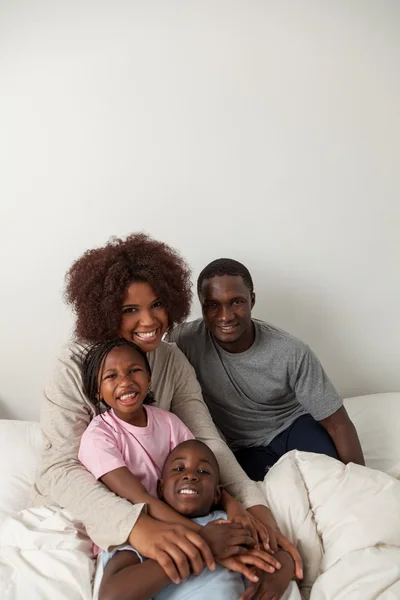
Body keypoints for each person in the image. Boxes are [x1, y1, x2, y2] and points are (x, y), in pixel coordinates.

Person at [31, 234, 302, 591]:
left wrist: (255, 507)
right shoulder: (72, 365)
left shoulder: (171, 359)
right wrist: (137, 527)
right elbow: (59, 467)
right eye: (130, 310)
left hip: (167, 502)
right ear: (105, 309)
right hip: (94, 509)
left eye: (157, 304)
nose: (149, 321)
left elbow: (205, 439)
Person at [78, 339, 291, 599]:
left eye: (134, 370)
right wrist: (205, 542)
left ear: (149, 378)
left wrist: (232, 503)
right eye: (111, 376)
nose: (125, 381)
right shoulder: (99, 436)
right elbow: (142, 499)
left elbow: (196, 463)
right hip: (137, 523)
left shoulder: (169, 422)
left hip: (183, 512)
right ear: (98, 391)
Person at [169, 258, 365, 482]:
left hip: (292, 426)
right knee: (278, 498)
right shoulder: (184, 341)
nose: (225, 316)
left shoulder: (290, 351)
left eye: (236, 302)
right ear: (202, 305)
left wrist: (362, 480)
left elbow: (337, 423)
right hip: (242, 448)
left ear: (252, 300)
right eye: (213, 305)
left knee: (330, 480)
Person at [98, 438, 299, 600]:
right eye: (178, 469)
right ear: (160, 488)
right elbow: (111, 595)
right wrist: (205, 547)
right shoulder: (149, 530)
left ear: (217, 495)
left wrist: (279, 576)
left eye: (202, 471)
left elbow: (277, 553)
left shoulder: (229, 523)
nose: (190, 476)